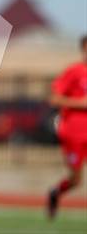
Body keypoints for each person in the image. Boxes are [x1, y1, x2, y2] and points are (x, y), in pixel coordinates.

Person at [47, 35, 87, 219]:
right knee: (76, 180)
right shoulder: (74, 72)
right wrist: (80, 103)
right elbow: (54, 98)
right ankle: (56, 191)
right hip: (74, 133)